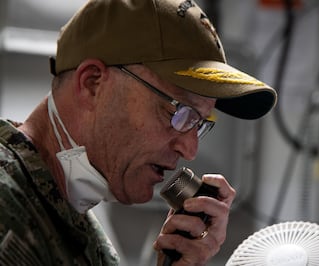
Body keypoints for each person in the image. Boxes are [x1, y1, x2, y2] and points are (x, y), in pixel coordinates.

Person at [0, 0, 277, 265]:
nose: (190, 151)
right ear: (93, 83)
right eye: (179, 113)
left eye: (199, 123)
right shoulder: (7, 204)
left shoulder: (84, 236)